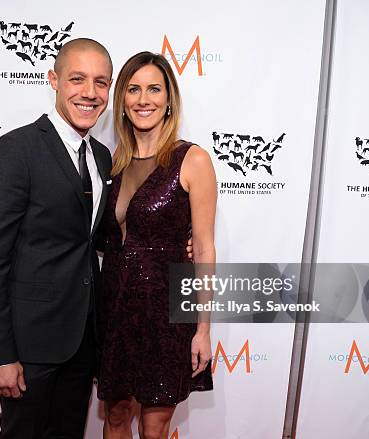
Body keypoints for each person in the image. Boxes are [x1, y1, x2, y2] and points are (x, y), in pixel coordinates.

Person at [0, 38, 113, 439]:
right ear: (53, 79)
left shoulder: (100, 156)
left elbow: (88, 239)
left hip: (82, 339)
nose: (90, 92)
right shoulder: (15, 150)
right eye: (77, 79)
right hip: (28, 344)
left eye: (101, 83)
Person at [97, 52, 217, 439]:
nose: (143, 99)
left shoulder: (192, 159)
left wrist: (202, 329)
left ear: (169, 100)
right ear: (122, 100)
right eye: (133, 89)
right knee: (115, 416)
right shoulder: (113, 161)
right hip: (114, 304)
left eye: (153, 89)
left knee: (155, 425)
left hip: (165, 312)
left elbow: (202, 249)